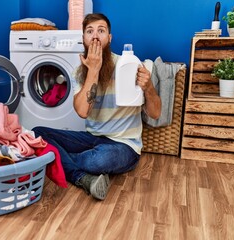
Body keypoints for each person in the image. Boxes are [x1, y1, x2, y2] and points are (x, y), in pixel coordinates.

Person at [33, 13, 161, 200]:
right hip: (92, 138)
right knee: (38, 133)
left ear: (109, 38)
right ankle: (80, 177)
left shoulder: (129, 66)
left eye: (101, 31)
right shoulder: (79, 73)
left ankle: (57, 157)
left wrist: (148, 87)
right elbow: (83, 111)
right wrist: (93, 70)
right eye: (89, 31)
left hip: (124, 145)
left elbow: (155, 113)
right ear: (83, 39)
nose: (95, 36)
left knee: (98, 160)